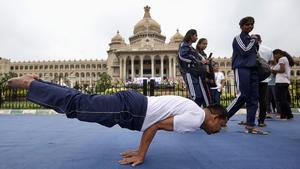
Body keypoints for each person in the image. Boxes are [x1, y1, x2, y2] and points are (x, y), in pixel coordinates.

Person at [7, 74, 228, 167]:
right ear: (215, 116)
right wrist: (141, 153)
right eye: (221, 125)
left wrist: (140, 149)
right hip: (131, 110)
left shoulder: (193, 109)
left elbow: (156, 123)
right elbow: (155, 125)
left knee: (81, 103)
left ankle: (39, 82)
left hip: (133, 108)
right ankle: (32, 85)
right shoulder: (196, 118)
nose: (219, 129)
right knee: (79, 106)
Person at [226, 16, 265, 134]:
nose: (250, 26)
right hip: (242, 68)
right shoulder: (238, 38)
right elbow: (244, 51)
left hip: (253, 69)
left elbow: (254, 53)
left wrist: (254, 41)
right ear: (241, 26)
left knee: (254, 97)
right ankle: (223, 117)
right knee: (243, 95)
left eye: (252, 24)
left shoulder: (251, 39)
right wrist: (253, 41)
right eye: (247, 24)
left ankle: (250, 125)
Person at [178, 29, 210, 107]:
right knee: (195, 96)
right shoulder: (184, 45)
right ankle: (190, 114)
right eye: (196, 35)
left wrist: (204, 60)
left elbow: (199, 56)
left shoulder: (191, 47)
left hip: (195, 74)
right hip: (189, 73)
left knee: (199, 96)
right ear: (191, 36)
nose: (197, 37)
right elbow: (182, 56)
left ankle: (197, 114)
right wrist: (197, 61)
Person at [254, 34, 273, 127]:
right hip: (264, 78)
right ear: (261, 40)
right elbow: (268, 63)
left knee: (251, 99)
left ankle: (250, 120)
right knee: (263, 100)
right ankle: (261, 121)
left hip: (253, 77)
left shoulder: (249, 48)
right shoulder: (268, 50)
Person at [272, 49, 294, 120]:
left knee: (282, 99)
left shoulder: (281, 59)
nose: (274, 56)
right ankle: (285, 115)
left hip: (281, 82)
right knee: (283, 99)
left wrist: (272, 70)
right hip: (284, 81)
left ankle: (287, 115)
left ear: (278, 53)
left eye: (275, 55)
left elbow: (282, 70)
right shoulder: (284, 59)